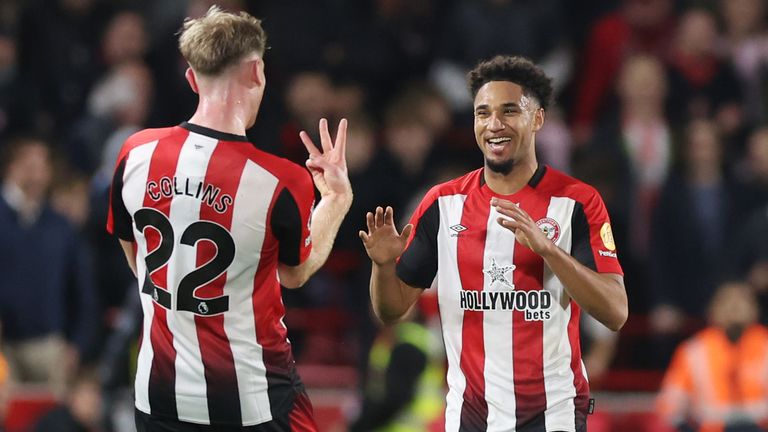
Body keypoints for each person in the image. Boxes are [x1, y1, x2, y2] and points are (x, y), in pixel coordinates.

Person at [106, 6, 352, 431]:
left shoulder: (135, 153)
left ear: (191, 78)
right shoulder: (280, 179)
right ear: (257, 72)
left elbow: (138, 261)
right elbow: (296, 273)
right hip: (252, 399)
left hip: (159, 394)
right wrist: (335, 201)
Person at [360, 55, 628, 432]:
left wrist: (550, 251)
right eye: (482, 113)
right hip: (469, 419)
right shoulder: (442, 204)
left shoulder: (577, 203)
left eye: (508, 111)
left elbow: (616, 312)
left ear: (537, 119)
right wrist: (384, 266)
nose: (494, 124)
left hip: (554, 417)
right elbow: (391, 312)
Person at [657, 282, 768, 432]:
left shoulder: (765, 344)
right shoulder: (693, 350)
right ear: (713, 309)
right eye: (728, 302)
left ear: (754, 309)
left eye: (741, 302)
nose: (734, 308)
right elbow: (670, 404)